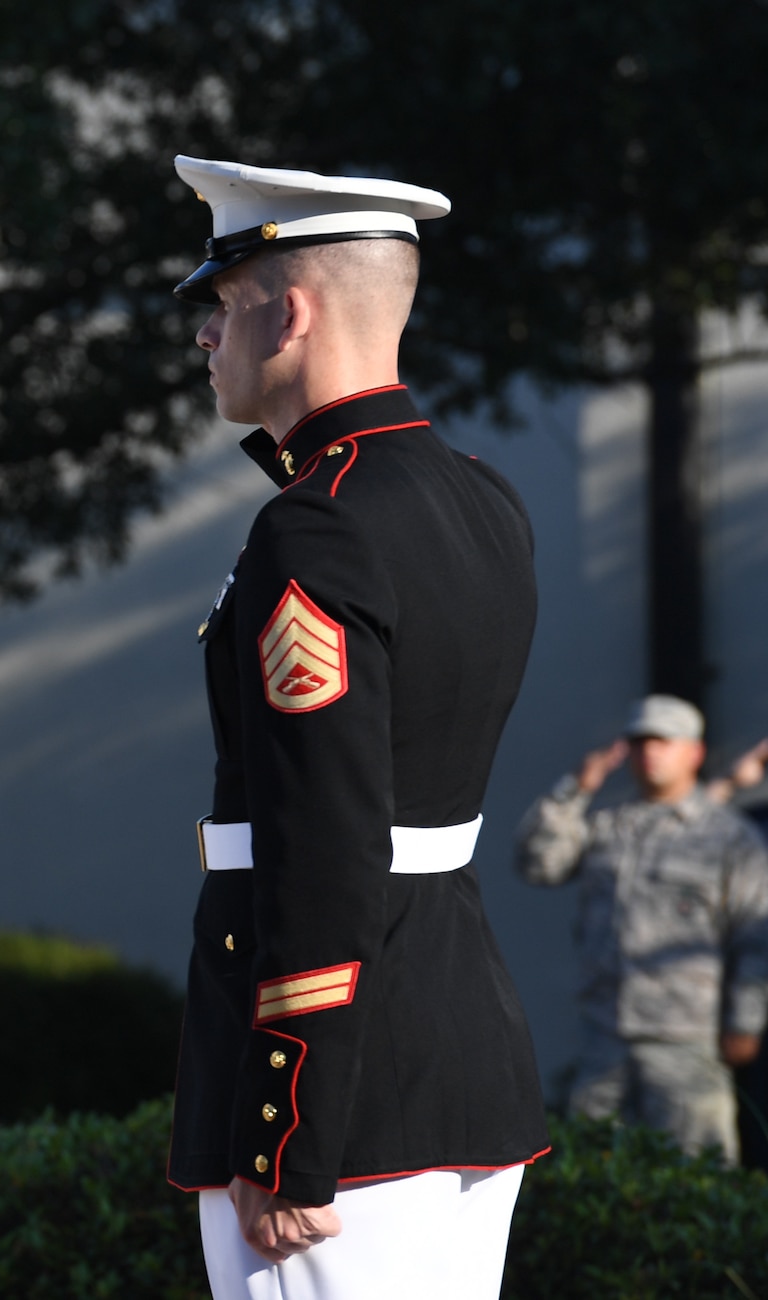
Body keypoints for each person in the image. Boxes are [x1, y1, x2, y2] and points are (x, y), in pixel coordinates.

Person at [165, 156, 550, 1300]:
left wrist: (288, 1131)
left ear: (287, 310)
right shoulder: (479, 494)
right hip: (456, 1050)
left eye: (220, 306)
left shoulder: (314, 529)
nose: (205, 339)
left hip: (348, 1119)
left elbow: (324, 849)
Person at [515, 694, 768, 1166]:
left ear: (693, 752)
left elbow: (754, 936)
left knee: (697, 1177)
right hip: (603, 1035)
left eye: (663, 742)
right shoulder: (610, 826)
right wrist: (575, 788)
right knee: (592, 1173)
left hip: (685, 1038)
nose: (649, 753)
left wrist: (744, 1022)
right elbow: (538, 864)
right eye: (639, 743)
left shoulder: (729, 837)